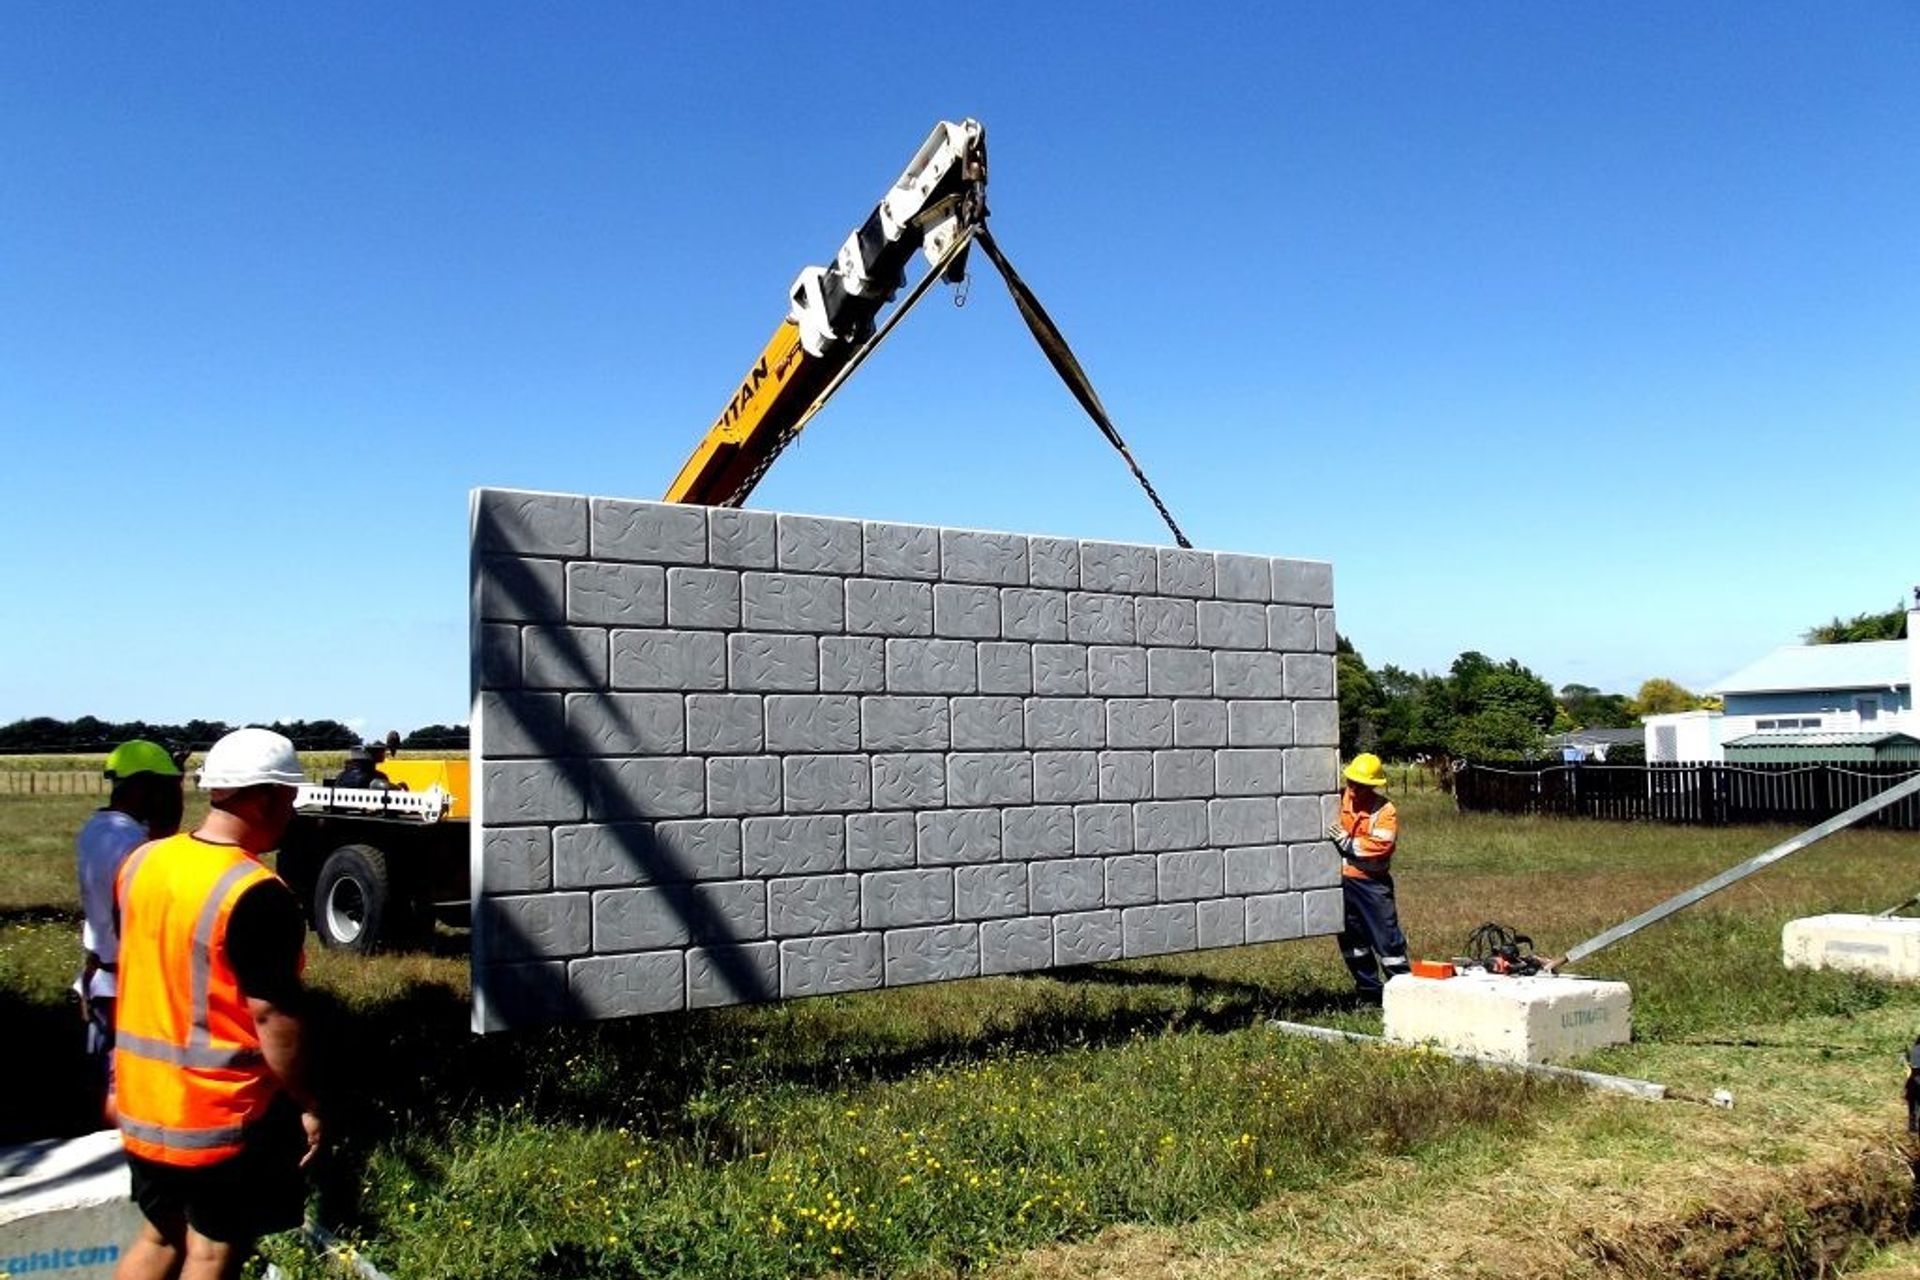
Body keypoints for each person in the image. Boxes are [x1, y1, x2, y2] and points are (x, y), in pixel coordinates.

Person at [113, 727, 322, 1280]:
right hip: (219, 1114)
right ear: (265, 797)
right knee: (210, 1251)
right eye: (289, 799)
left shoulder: (143, 863)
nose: (291, 813)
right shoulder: (255, 892)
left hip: (143, 1099)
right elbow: (272, 1017)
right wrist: (309, 1100)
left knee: (160, 1237)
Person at [75, 739, 186, 1122]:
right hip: (124, 983)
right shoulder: (131, 845)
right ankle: (120, 1162)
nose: (171, 797)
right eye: (164, 788)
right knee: (121, 1085)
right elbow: (134, 911)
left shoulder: (97, 829)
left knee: (106, 1077)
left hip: (102, 976)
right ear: (142, 786)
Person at [1326, 752, 1409, 1001]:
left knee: (1388, 942)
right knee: (1353, 943)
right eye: (1352, 783)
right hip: (1342, 883)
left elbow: (1381, 846)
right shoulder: (1338, 799)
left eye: (1361, 785)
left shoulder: (1384, 810)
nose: (1354, 789)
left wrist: (1347, 843)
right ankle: (1369, 993)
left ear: (1372, 786)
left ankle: (1404, 995)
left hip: (1372, 885)